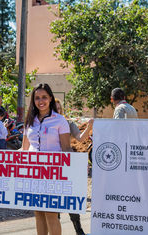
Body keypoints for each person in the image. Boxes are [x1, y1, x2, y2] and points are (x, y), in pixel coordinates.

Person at [22, 83, 71, 235]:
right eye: (37, 98)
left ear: (50, 98)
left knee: (50, 212)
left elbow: (66, 148)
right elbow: (24, 148)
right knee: (38, 212)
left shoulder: (60, 120)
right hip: (33, 172)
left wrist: (76, 169)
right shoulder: (30, 120)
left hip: (52, 173)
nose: (40, 101)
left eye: (44, 97)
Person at [55, 99, 93, 235]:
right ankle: (55, 229)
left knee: (70, 196)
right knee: (54, 198)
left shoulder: (68, 123)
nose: (57, 110)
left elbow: (80, 138)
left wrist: (89, 127)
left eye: (59, 108)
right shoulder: (45, 124)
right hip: (51, 165)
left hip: (67, 164)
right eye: (55, 108)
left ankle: (78, 229)